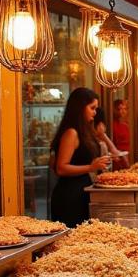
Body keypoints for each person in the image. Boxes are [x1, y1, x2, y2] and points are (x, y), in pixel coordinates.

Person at [50, 87, 111, 227]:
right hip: (70, 195)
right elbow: (61, 168)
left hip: (82, 191)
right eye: (92, 108)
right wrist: (91, 167)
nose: (95, 112)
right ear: (80, 108)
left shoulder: (84, 131)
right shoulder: (71, 133)